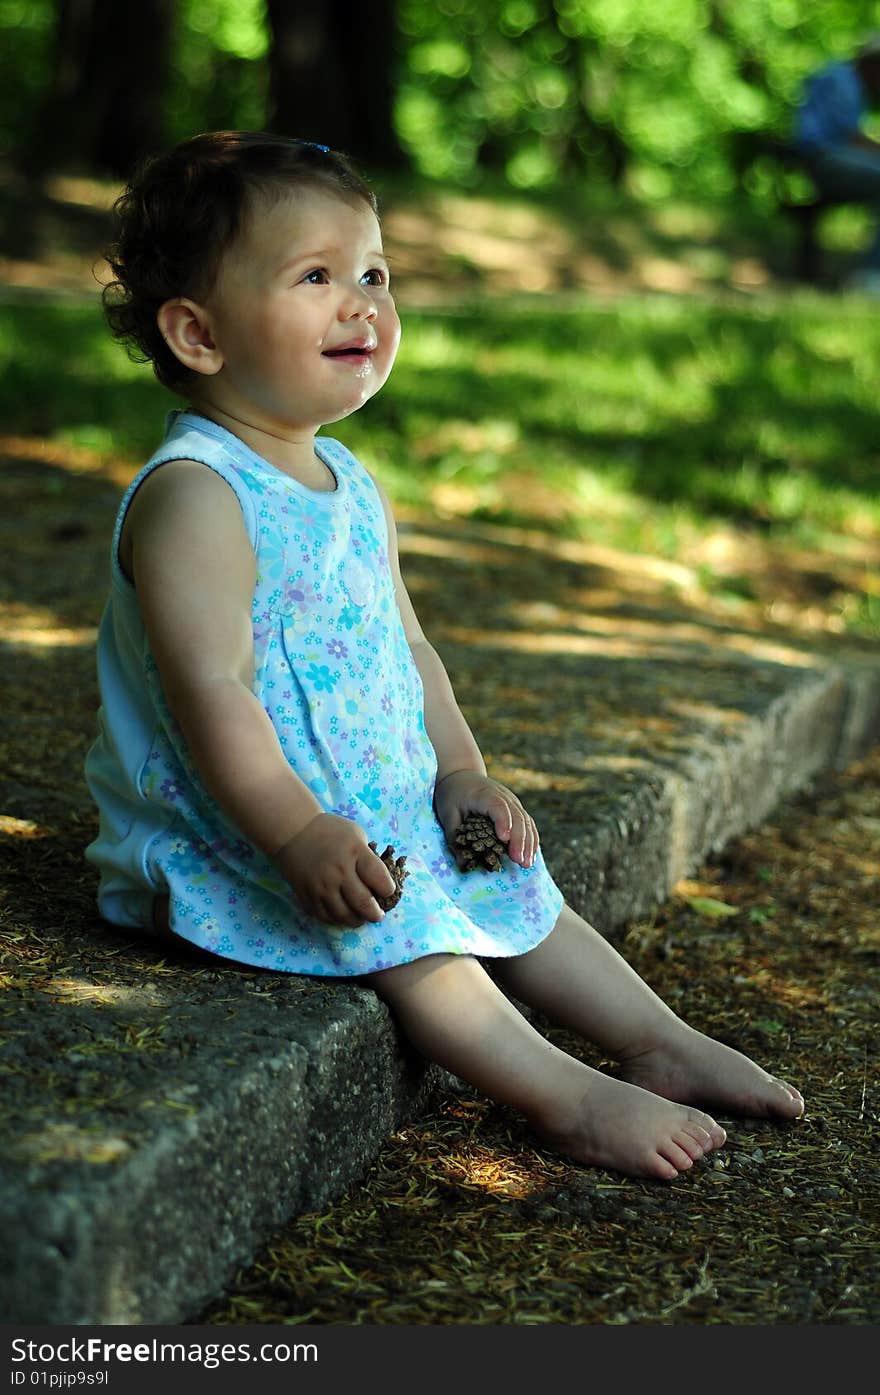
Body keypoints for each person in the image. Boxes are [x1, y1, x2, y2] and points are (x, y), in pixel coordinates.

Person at [85, 131, 804, 1182]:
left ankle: (656, 1039)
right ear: (197, 333)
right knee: (419, 932)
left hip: (364, 801)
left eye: (375, 273)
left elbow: (407, 647)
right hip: (237, 834)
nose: (362, 302)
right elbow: (212, 692)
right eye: (317, 276)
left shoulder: (345, 479)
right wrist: (297, 836)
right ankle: (561, 1095)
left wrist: (460, 771)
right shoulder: (197, 494)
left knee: (514, 878)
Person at [794, 34, 880, 290]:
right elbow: (846, 136)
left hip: (825, 159)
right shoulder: (841, 80)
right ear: (872, 62)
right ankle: (871, 275)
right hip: (824, 161)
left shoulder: (848, 81)